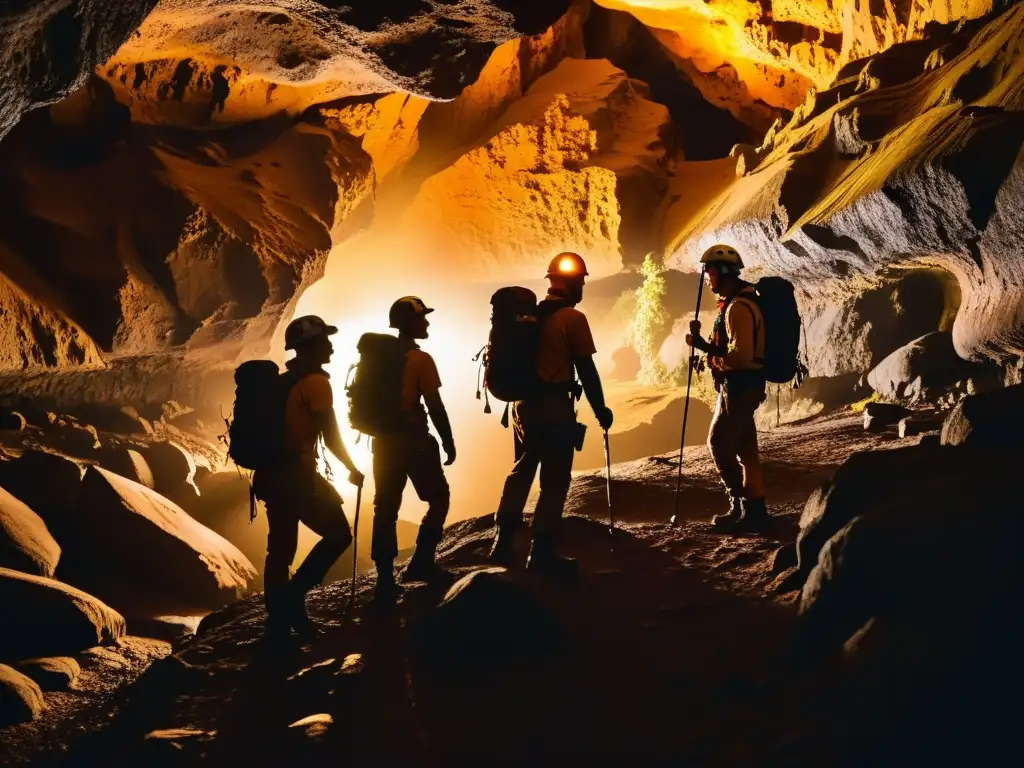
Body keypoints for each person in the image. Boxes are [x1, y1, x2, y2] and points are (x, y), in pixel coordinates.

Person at [489, 252, 614, 576]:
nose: (583, 286)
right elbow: (585, 368)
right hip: (554, 406)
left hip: (522, 407)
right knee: (555, 480)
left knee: (522, 470)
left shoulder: (531, 317)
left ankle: (502, 540)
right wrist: (600, 409)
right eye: (582, 281)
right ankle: (541, 552)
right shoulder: (572, 319)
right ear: (574, 284)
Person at [253, 315, 364, 640]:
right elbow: (330, 434)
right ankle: (294, 597)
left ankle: (278, 621)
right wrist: (351, 468)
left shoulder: (284, 381)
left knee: (280, 551)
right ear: (312, 346)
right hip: (296, 477)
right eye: (325, 341)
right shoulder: (316, 383)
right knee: (339, 535)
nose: (330, 345)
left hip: (270, 475)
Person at [371, 296, 456, 602]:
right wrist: (447, 440)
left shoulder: (378, 359)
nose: (428, 323)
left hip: (382, 443)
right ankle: (422, 562)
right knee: (439, 497)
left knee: (385, 509)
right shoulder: (420, 360)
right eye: (423, 319)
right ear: (411, 323)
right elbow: (434, 405)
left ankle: (384, 579)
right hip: (413, 441)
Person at [685, 244, 769, 532]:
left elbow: (743, 355)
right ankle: (755, 511)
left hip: (740, 386)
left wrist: (707, 349)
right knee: (746, 451)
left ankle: (741, 505)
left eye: (709, 272)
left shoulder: (738, 308)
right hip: (744, 385)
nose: (708, 279)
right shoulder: (740, 303)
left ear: (722, 272)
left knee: (719, 443)